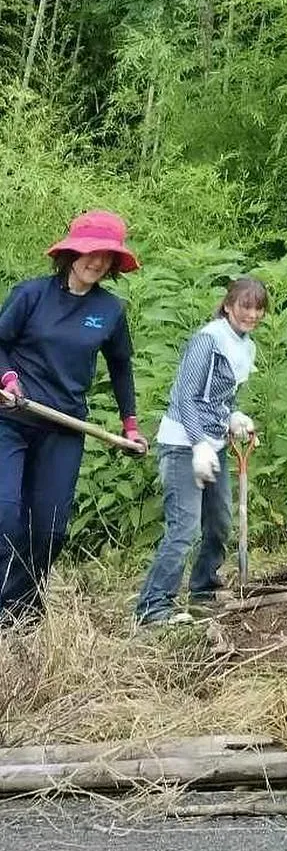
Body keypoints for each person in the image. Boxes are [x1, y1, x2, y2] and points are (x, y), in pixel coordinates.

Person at [0, 210, 148, 624]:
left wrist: (130, 425)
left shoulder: (110, 310)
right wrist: (8, 378)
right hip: (10, 419)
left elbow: (121, 367)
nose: (97, 262)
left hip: (64, 427)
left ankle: (19, 616)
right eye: (90, 252)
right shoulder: (30, 295)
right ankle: (6, 614)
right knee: (6, 516)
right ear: (70, 253)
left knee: (49, 532)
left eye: (106, 257)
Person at [134, 276, 269, 624]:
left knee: (219, 524)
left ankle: (203, 591)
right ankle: (153, 607)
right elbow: (185, 397)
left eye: (258, 309)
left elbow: (221, 396)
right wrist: (197, 445)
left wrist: (233, 416)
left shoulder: (245, 345)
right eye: (245, 306)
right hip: (183, 444)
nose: (251, 314)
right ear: (228, 305)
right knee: (184, 530)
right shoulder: (208, 340)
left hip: (215, 444)